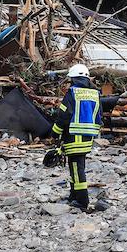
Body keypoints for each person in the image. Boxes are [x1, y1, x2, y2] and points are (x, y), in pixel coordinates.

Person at [50, 64, 103, 210]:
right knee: (76, 167)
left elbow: (64, 115)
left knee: (77, 169)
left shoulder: (72, 93)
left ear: (73, 78)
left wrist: (55, 132)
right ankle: (74, 196)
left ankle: (82, 201)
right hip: (87, 138)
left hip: (73, 137)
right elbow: (99, 116)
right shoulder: (95, 93)